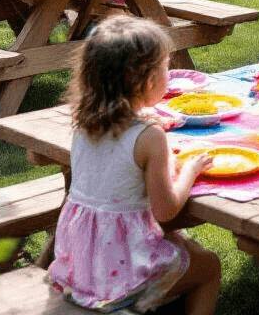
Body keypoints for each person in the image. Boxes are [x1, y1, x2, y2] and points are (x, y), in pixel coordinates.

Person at [47, 16, 221, 313]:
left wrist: (147, 121)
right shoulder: (149, 138)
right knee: (209, 266)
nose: (169, 72)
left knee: (181, 244)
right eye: (167, 66)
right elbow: (165, 211)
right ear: (150, 80)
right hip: (120, 270)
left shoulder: (83, 121)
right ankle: (137, 302)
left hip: (79, 263)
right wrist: (191, 170)